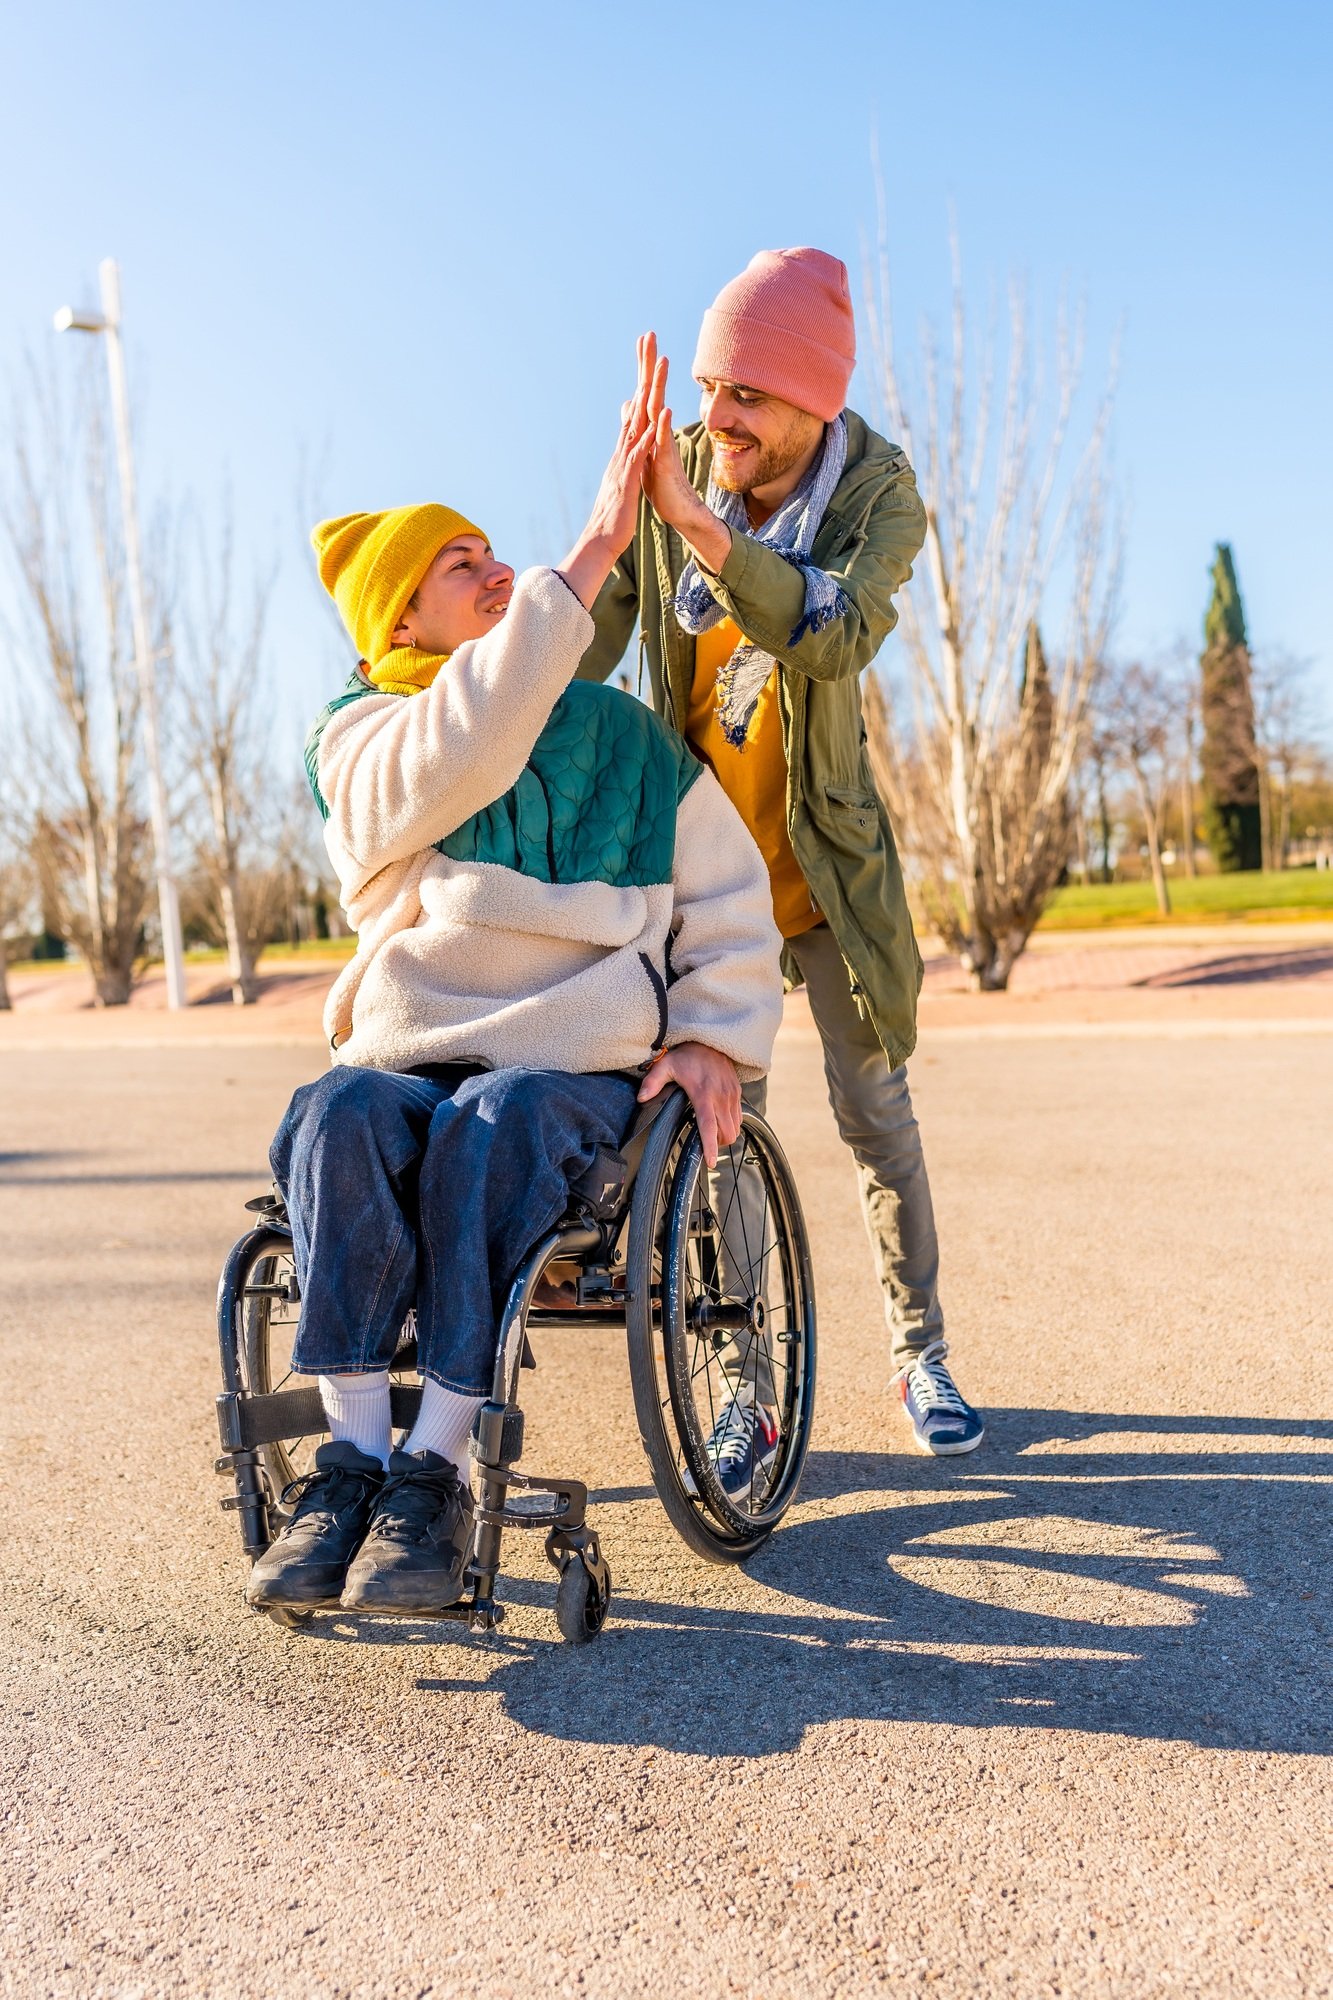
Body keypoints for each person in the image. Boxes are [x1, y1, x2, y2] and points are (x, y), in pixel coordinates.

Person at [247, 348, 783, 1617]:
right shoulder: (362, 741)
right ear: (398, 626)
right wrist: (591, 546)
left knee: (494, 1126)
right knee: (331, 1117)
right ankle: (352, 1464)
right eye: (462, 566)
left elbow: (726, 900)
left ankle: (429, 1471)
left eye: (501, 554)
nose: (499, 572)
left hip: (569, 1069)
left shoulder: (621, 741)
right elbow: (469, 738)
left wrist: (713, 1036)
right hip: (405, 1053)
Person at [579, 252, 985, 1468]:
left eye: (744, 394)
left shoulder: (878, 497)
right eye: (707, 390)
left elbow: (834, 634)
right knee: (717, 1133)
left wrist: (698, 525)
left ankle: (921, 1354)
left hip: (826, 871)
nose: (716, 421)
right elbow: (588, 638)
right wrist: (453, 706)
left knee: (874, 1113)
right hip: (702, 880)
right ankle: (746, 1383)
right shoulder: (679, 481)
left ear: (812, 399)